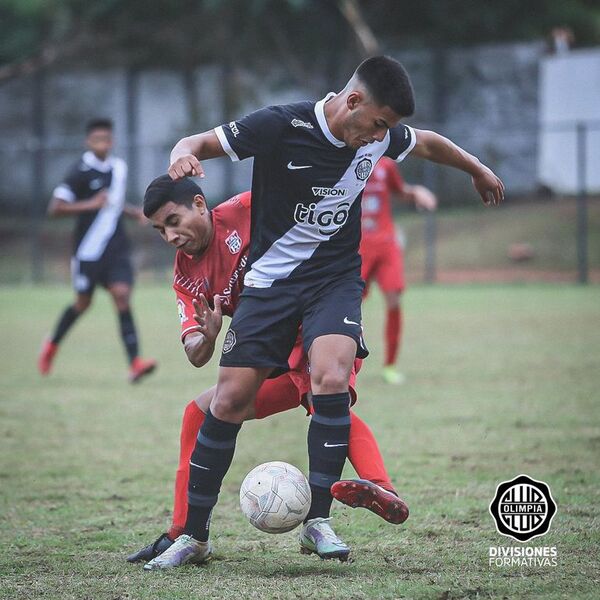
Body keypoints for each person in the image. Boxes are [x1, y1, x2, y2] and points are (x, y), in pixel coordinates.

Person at [148, 55, 503, 569]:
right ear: (353, 101)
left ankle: (318, 520)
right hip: (269, 285)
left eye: (388, 128)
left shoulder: (379, 136)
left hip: (334, 280)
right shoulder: (280, 125)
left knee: (330, 377)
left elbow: (426, 142)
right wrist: (180, 153)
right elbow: (198, 144)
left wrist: (479, 169)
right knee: (226, 402)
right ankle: (195, 538)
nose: (381, 136)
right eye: (379, 123)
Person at [126, 175, 408, 565]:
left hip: (314, 328)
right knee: (200, 412)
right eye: (160, 230)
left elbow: (316, 205)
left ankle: (370, 492)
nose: (170, 236)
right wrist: (207, 337)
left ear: (199, 204)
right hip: (263, 355)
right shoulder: (185, 275)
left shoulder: (248, 208)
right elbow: (194, 352)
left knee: (320, 394)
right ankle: (185, 533)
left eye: (173, 221)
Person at [37, 118, 156, 383]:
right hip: (88, 251)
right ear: (88, 142)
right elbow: (55, 208)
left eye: (106, 139)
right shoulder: (79, 171)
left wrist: (133, 212)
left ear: (111, 141)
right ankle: (51, 345)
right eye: (97, 139)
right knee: (83, 303)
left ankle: (135, 363)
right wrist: (90, 204)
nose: (102, 143)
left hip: (116, 247)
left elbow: (112, 203)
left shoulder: (119, 168)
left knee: (122, 296)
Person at [360, 156, 437, 385]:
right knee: (349, 305)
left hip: (385, 243)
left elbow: (400, 191)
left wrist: (417, 192)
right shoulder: (346, 159)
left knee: (394, 299)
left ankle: (390, 366)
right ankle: (343, 362)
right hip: (356, 246)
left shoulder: (386, 165)